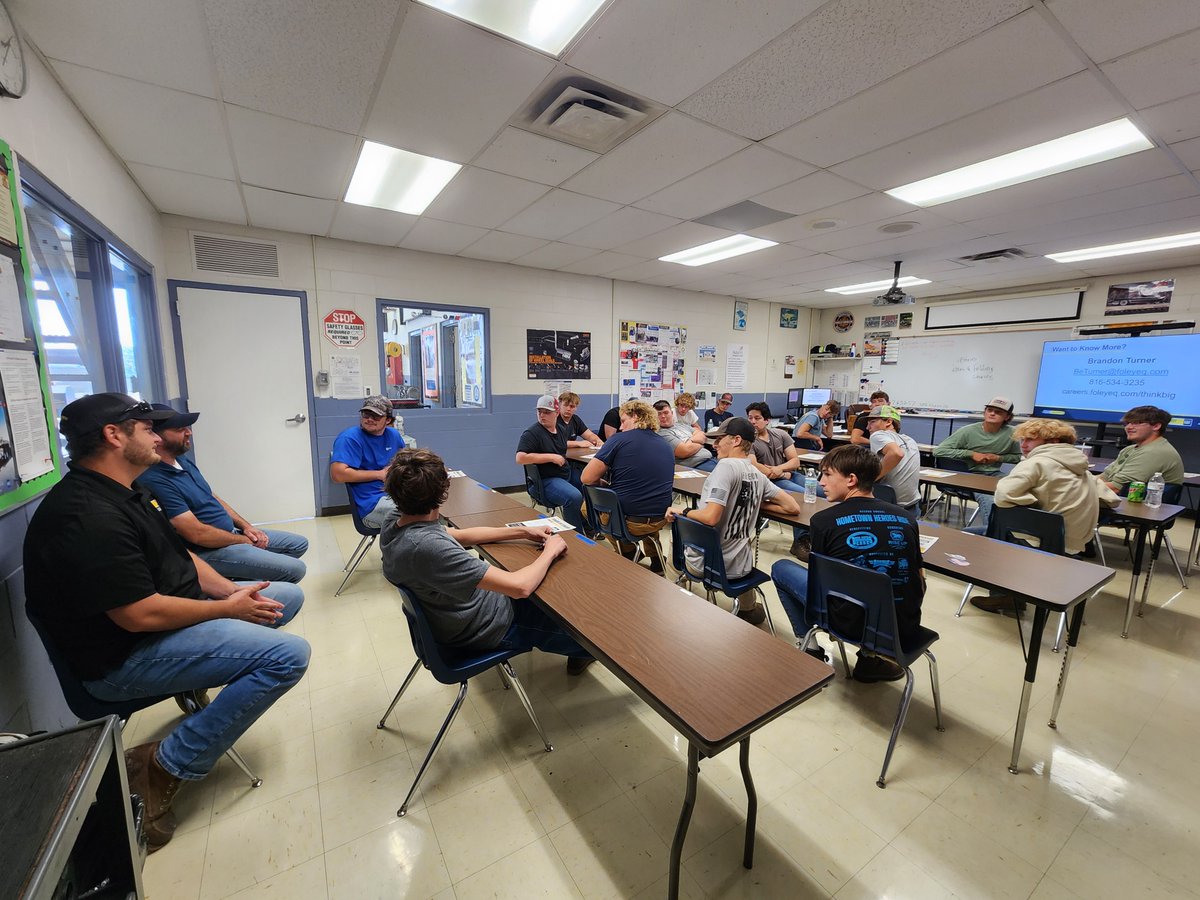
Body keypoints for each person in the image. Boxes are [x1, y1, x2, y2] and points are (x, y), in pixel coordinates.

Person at [23, 393, 309, 852]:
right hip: (121, 660)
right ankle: (163, 766)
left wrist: (230, 592)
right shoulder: (87, 515)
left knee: (283, 598)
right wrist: (226, 610)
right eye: (146, 429)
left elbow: (183, 557)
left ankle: (204, 672)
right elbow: (139, 615)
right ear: (113, 436)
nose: (156, 437)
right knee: (288, 657)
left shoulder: (126, 489)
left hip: (164, 623)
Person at [379, 447, 593, 674]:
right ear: (442, 492)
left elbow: (459, 535)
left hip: (463, 613)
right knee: (579, 625)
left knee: (542, 585)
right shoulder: (426, 547)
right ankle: (585, 652)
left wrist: (522, 532)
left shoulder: (397, 520)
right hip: (485, 627)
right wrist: (551, 550)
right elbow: (519, 587)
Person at [770, 445, 924, 683]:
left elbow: (819, 584)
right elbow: (920, 579)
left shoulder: (823, 521)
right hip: (903, 626)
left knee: (781, 568)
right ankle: (870, 660)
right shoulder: (907, 519)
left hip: (847, 624)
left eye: (827, 474)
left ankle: (810, 648)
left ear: (851, 479)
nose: (821, 482)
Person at [136, 404, 309, 583]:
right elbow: (197, 534)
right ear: (157, 437)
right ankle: (242, 588)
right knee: (295, 569)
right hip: (208, 551)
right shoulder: (154, 479)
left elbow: (211, 496)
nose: (189, 432)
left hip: (231, 534)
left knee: (297, 545)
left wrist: (246, 527)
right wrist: (242, 540)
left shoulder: (180, 460)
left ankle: (247, 578)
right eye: (180, 429)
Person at [969, 419, 1119, 613]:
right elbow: (1111, 499)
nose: (1023, 445)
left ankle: (1005, 597)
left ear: (1054, 442)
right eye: (1022, 440)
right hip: (1071, 547)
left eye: (1030, 440)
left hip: (1038, 544)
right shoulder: (1083, 469)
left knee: (968, 535)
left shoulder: (1036, 462)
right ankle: (1015, 592)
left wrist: (1033, 505)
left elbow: (1004, 495)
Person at [667, 417, 801, 625]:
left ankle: (673, 599)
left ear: (737, 440)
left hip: (709, 566)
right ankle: (748, 608)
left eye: (720, 439)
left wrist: (683, 510)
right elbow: (792, 507)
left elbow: (710, 518)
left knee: (674, 538)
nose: (715, 444)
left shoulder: (725, 467)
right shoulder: (757, 474)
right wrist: (750, 502)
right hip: (741, 568)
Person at [581, 399, 674, 570]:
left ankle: (627, 551)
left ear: (636, 416)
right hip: (661, 518)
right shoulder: (665, 444)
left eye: (623, 421)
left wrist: (602, 483)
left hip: (630, 523)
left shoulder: (618, 439)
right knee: (646, 498)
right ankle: (656, 558)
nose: (621, 427)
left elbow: (586, 478)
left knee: (587, 505)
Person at [932, 395, 1021, 527]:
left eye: (998, 412)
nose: (992, 413)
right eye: (989, 410)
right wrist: (971, 454)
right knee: (990, 498)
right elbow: (939, 451)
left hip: (994, 474)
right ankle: (992, 532)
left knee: (1020, 491)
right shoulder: (968, 431)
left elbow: (1017, 457)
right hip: (969, 475)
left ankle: (1014, 530)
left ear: (1007, 417)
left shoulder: (1012, 433)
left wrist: (998, 458)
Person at [330, 395, 406, 528]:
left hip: (396, 493)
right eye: (366, 414)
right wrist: (379, 474)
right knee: (412, 515)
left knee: (430, 504)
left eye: (376, 416)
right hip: (371, 503)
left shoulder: (393, 435)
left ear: (388, 420)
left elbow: (404, 461)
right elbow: (337, 474)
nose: (370, 419)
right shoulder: (350, 438)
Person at [515, 395, 588, 533]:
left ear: (556, 413)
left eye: (547, 412)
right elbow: (520, 458)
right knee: (574, 496)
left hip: (563, 474)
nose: (542, 415)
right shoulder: (532, 433)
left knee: (588, 486)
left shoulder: (561, 430)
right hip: (545, 480)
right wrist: (550, 457)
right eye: (539, 411)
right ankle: (576, 536)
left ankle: (588, 526)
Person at [1098, 405, 1185, 493]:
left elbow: (1117, 488)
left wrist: (1089, 487)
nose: (1128, 427)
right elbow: (1104, 477)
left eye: (1136, 423)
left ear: (1156, 426)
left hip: (1134, 500)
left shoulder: (1155, 452)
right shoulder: (1129, 449)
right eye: (1127, 423)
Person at [865, 405, 922, 515]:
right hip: (912, 508)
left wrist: (870, 479)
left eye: (872, 422)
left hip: (889, 507)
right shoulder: (910, 440)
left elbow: (896, 453)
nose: (868, 427)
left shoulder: (877, 435)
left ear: (888, 422)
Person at [654, 400, 716, 471]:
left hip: (710, 459)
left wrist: (691, 442)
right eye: (659, 414)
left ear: (671, 413)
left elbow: (702, 434)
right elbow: (685, 451)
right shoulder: (661, 434)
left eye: (666, 413)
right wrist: (700, 442)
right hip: (696, 465)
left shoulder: (680, 425)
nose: (663, 416)